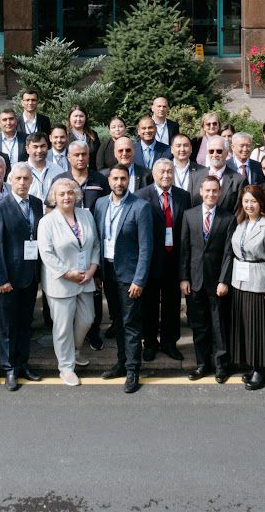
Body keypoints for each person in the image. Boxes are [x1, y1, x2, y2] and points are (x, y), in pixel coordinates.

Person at [94, 165, 154, 393]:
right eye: (115, 179)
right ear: (109, 181)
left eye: (123, 179)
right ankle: (121, 362)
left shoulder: (140, 206)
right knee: (117, 321)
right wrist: (98, 273)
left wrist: (139, 280)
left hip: (130, 276)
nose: (119, 183)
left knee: (131, 323)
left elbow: (146, 247)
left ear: (129, 181)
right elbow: (98, 240)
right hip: (108, 272)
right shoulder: (101, 204)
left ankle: (132, 370)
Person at [38, 178, 100, 386]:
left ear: (77, 195)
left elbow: (95, 245)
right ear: (54, 198)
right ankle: (66, 367)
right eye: (62, 194)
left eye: (70, 193)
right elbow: (46, 253)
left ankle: (75, 351)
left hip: (85, 277)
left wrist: (92, 268)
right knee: (63, 327)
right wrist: (67, 273)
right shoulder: (47, 221)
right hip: (61, 282)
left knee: (87, 319)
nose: (66, 197)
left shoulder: (86, 215)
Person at [0, 163, 44, 389]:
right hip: (8, 279)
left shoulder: (37, 204)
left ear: (31, 181)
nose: (22, 182)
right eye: (18, 178)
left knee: (25, 324)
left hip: (30, 276)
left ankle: (23, 364)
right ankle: (10, 368)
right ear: (10, 181)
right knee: (8, 326)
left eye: (26, 178)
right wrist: (1, 279)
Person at [220, 185, 265, 390]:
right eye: (246, 201)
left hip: (259, 283)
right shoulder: (241, 223)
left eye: (253, 201)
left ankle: (261, 370)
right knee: (245, 326)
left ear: (261, 203)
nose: (249, 205)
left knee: (258, 328)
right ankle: (252, 365)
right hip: (240, 282)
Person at [179, 175, 236, 383]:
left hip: (216, 282)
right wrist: (183, 278)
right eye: (207, 190)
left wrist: (224, 280)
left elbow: (229, 253)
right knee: (199, 326)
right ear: (201, 192)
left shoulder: (228, 218)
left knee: (219, 325)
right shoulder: (189, 215)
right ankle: (202, 364)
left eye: (215, 191)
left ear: (219, 193)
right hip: (194, 281)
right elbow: (184, 249)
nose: (211, 194)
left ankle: (221, 366)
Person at [136, 159, 189, 363]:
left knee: (172, 304)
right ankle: (150, 343)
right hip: (150, 260)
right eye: (162, 171)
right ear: (154, 174)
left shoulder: (183, 196)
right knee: (148, 304)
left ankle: (169, 343)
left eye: (169, 171)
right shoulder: (141, 196)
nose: (166, 175)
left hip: (174, 259)